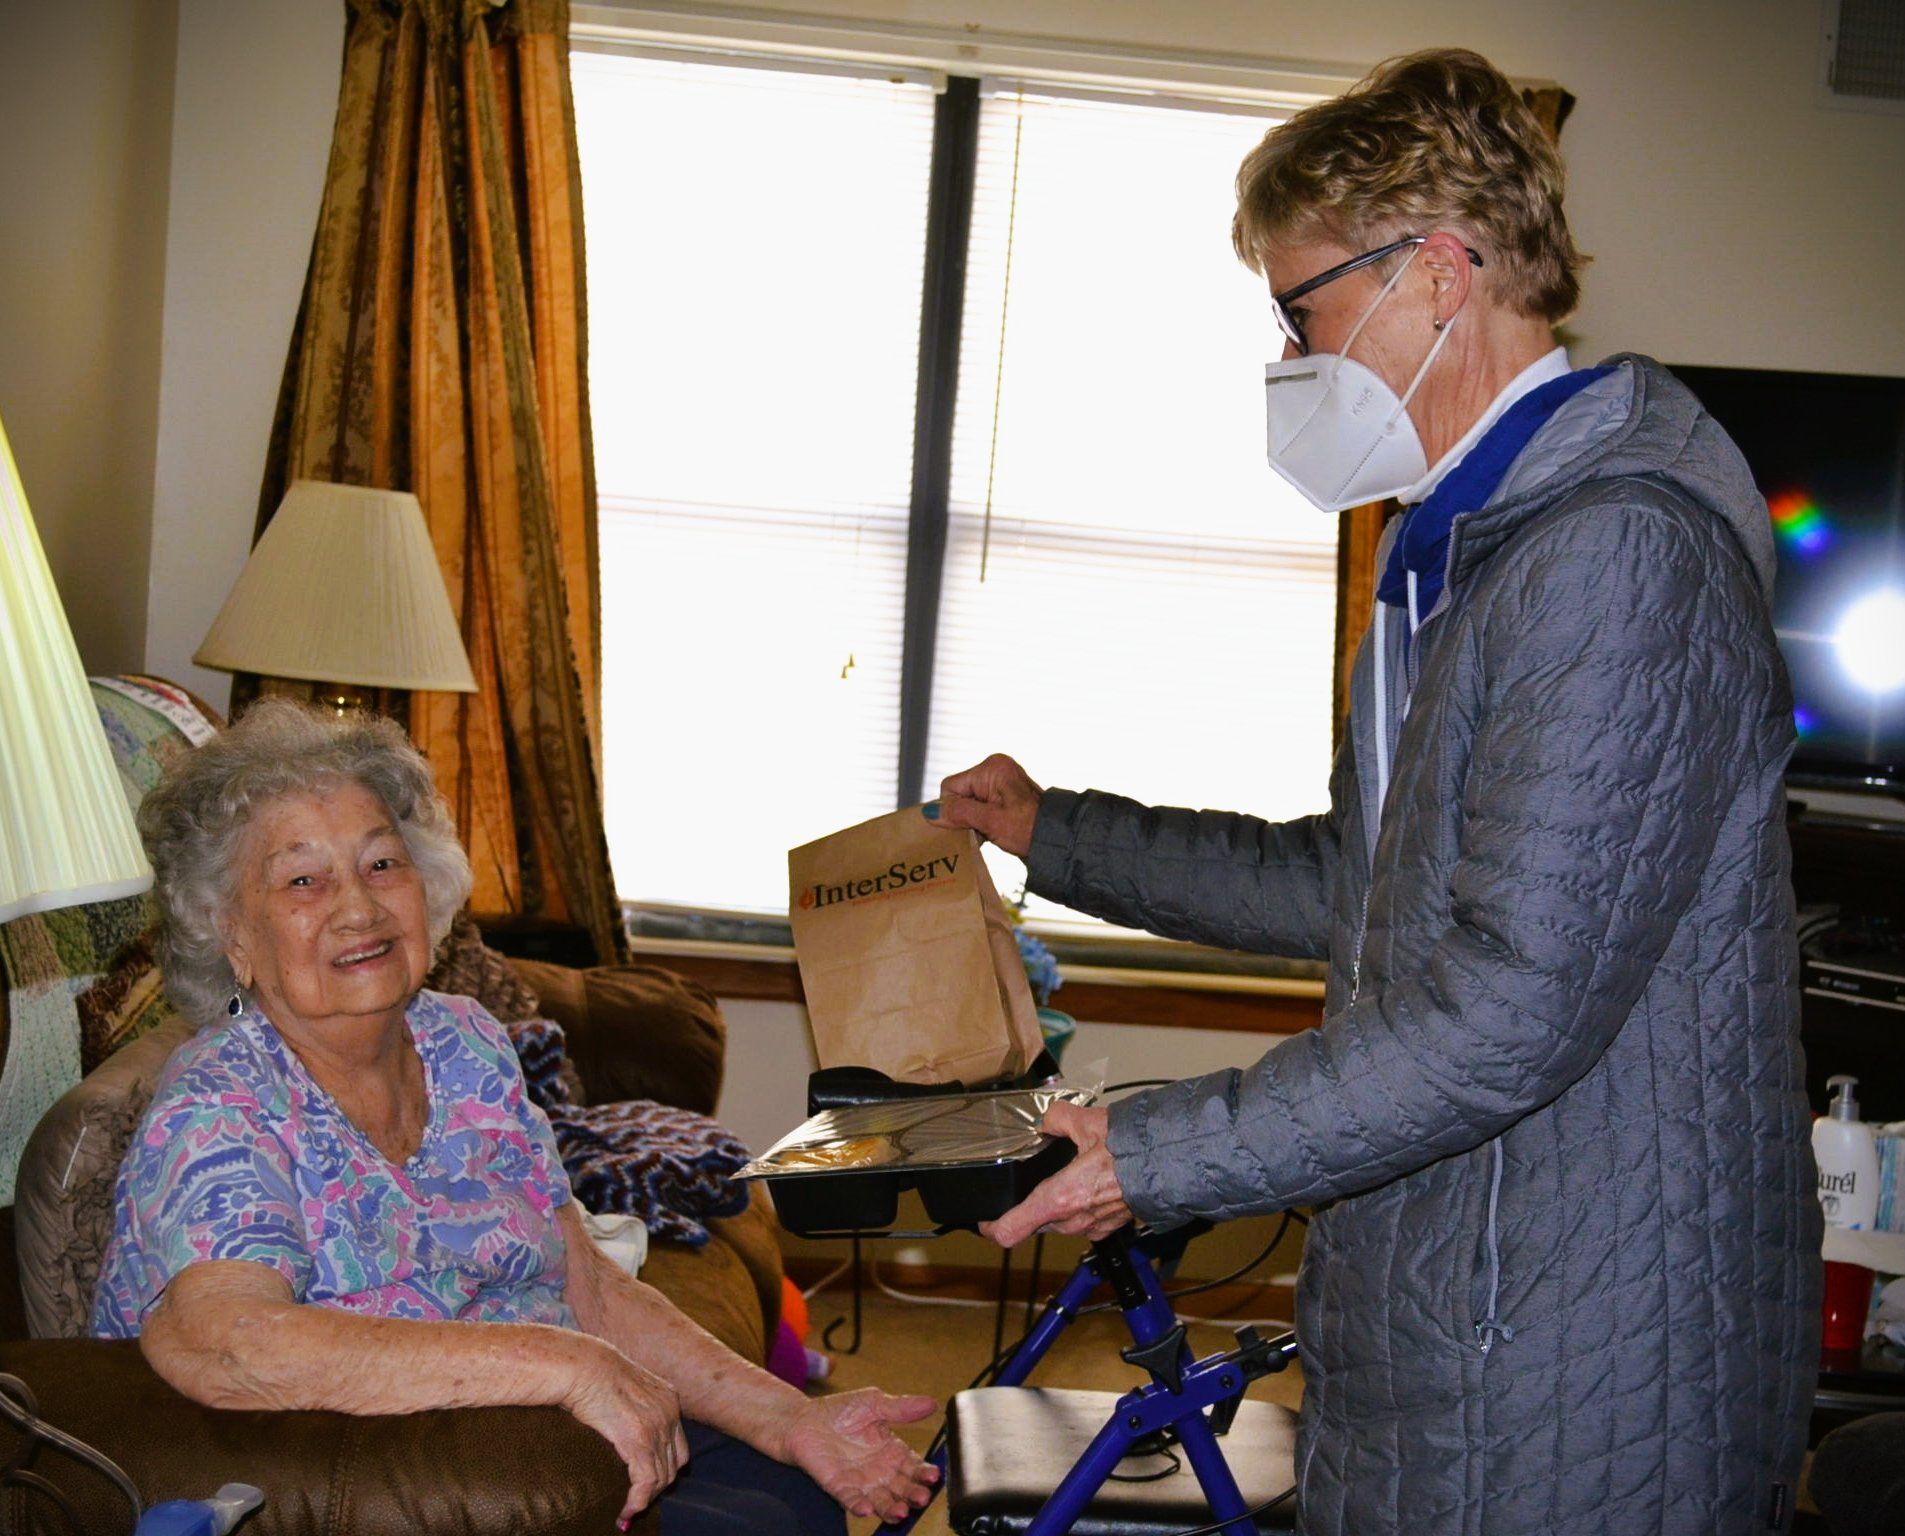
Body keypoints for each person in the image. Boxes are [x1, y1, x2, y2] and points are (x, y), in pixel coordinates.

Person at [931, 47, 1818, 1536]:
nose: (1289, 360)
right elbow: (1358, 881)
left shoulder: (1615, 562)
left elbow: (1512, 1005)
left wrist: (1153, 1155)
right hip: (1458, 1283)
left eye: (1303, 310)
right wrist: (1053, 834)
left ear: (1438, 274)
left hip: (1570, 1337)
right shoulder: (1461, 552)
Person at [91, 699, 937, 1534]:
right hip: (412, 1475)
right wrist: (566, 1367)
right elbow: (228, 1342)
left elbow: (586, 1284)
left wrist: (788, 1416)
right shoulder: (221, 1102)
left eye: (383, 864)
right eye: (302, 881)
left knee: (785, 1494)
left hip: (536, 1432)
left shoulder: (463, 1044)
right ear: (231, 936)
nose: (359, 906)